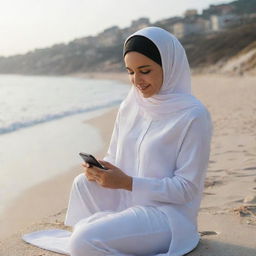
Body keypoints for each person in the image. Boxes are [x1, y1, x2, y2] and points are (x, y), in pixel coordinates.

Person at [23, 27, 212, 256]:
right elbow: (115, 156)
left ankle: (93, 240)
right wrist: (100, 171)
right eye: (130, 71)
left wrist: (127, 182)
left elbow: (186, 189)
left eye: (145, 70)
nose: (136, 81)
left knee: (81, 241)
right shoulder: (131, 106)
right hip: (129, 199)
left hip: (167, 216)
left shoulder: (193, 115)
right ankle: (102, 237)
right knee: (82, 183)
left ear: (170, 66)